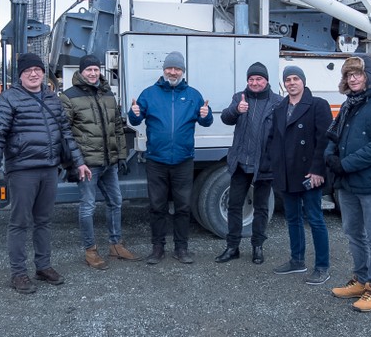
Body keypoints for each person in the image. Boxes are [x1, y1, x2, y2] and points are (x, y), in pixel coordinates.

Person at [0, 53, 92, 295]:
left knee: (43, 221)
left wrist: (79, 162)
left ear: (43, 73)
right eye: (28, 70)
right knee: (20, 222)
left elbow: (66, 133)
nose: (33, 74)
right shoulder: (7, 100)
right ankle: (19, 273)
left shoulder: (52, 99)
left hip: (49, 169)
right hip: (22, 170)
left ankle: (43, 267)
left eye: (37, 70)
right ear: (20, 75)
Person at [325, 55, 371, 312]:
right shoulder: (348, 105)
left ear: (369, 75)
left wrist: (345, 164)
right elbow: (333, 135)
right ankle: (360, 279)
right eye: (349, 74)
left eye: (358, 73)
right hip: (347, 184)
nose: (353, 78)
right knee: (353, 233)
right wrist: (329, 155)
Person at [128, 51, 213, 265]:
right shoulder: (150, 93)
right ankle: (157, 248)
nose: (172, 72)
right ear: (164, 69)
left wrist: (206, 114)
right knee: (157, 206)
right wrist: (134, 112)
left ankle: (181, 248)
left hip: (183, 160)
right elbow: (136, 119)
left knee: (183, 207)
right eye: (169, 68)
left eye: (177, 68)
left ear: (183, 71)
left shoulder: (193, 95)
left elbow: (206, 122)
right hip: (156, 160)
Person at [60, 54, 141, 270]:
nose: (93, 73)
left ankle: (115, 245)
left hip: (109, 162)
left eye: (96, 69)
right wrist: (75, 162)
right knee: (87, 207)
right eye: (89, 70)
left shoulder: (108, 94)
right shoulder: (69, 97)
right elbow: (64, 132)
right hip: (87, 164)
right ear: (81, 72)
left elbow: (117, 127)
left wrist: (121, 155)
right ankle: (91, 250)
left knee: (115, 201)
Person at [265, 65, 333, 285]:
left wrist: (317, 170)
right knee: (292, 219)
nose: (291, 82)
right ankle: (297, 261)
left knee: (315, 219)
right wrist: (274, 166)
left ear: (303, 81)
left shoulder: (318, 105)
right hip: (286, 173)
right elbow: (274, 139)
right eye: (288, 79)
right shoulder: (280, 108)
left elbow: (325, 140)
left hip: (309, 174)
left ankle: (322, 267)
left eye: (295, 78)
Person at [214, 61, 282, 265]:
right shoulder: (239, 98)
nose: (254, 82)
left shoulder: (278, 102)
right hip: (241, 162)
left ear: (266, 81)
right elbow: (226, 118)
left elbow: (282, 133)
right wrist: (236, 109)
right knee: (235, 205)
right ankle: (232, 247)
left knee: (261, 208)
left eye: (258, 79)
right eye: (251, 79)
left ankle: (257, 247)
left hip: (264, 164)